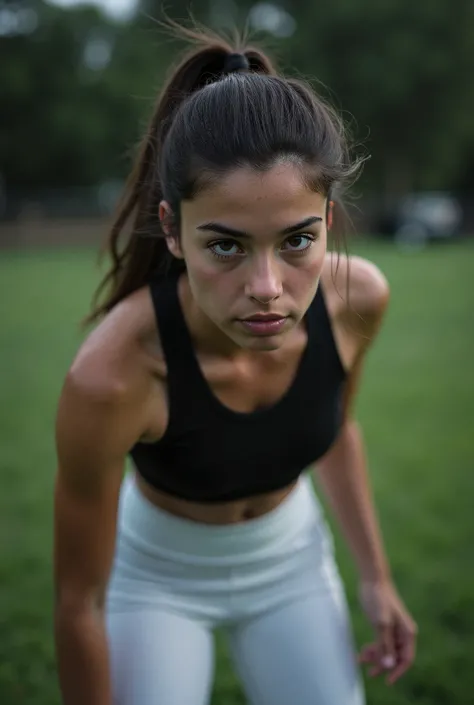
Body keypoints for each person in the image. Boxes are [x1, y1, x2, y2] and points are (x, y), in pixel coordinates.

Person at [52, 25, 417, 705]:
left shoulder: (357, 300)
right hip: (155, 576)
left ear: (328, 220)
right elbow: (78, 601)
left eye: (298, 240)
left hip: (292, 561)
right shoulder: (111, 376)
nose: (269, 288)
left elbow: (338, 430)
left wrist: (375, 575)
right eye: (226, 246)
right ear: (172, 228)